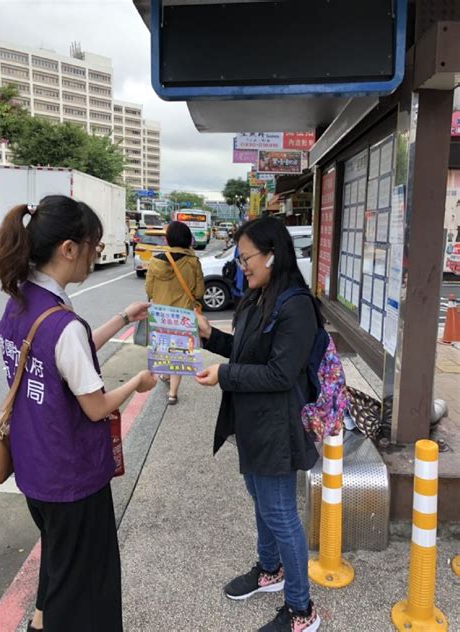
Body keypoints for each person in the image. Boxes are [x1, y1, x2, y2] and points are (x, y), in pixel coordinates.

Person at [0, 195, 157, 632]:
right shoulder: (62, 323)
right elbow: (96, 404)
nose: (96, 255)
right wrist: (136, 384)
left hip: (34, 469)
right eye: (94, 246)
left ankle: (40, 622)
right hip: (73, 477)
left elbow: (70, 356)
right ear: (69, 248)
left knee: (59, 565)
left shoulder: (21, 301)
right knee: (85, 588)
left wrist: (122, 317)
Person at [194, 216, 321, 632]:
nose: (241, 264)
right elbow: (244, 351)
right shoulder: (256, 296)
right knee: (262, 501)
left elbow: (281, 374)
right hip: (251, 424)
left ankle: (302, 610)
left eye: (246, 257)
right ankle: (270, 570)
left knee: (281, 511)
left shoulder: (296, 304)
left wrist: (223, 377)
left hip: (277, 430)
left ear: (271, 254)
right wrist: (209, 335)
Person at [146, 221, 204, 405]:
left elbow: (149, 290)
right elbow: (200, 292)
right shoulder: (193, 262)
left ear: (168, 239)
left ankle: (164, 374)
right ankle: (172, 393)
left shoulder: (155, 261)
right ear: (188, 239)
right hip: (183, 316)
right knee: (179, 353)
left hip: (161, 314)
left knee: (164, 347)